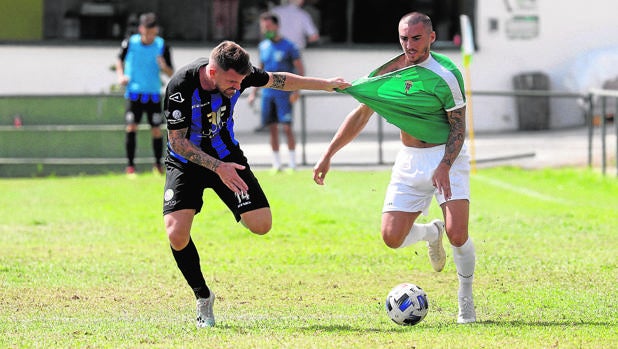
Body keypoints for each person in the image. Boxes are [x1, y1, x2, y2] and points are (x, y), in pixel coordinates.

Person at [162, 40, 349, 328]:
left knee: (262, 224)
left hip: (227, 156)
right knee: (176, 234)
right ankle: (203, 297)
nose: (237, 87)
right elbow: (178, 142)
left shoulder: (242, 74)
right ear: (212, 71)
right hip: (186, 161)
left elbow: (280, 80)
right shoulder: (181, 85)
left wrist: (325, 84)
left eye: (241, 82)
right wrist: (217, 168)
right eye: (232, 82)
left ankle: (233, 200)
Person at [312, 12, 476, 324]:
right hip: (409, 160)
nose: (409, 44)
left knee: (458, 234)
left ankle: (465, 300)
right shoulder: (388, 73)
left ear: (431, 37)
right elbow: (361, 114)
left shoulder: (447, 74)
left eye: (416, 38)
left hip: (447, 157)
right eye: (404, 38)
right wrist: (328, 154)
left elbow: (458, 127)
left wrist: (444, 165)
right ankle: (430, 233)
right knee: (391, 238)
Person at [116, 12, 174, 176]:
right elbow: (119, 59)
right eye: (147, 31)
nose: (149, 35)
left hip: (153, 94)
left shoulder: (162, 46)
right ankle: (130, 167)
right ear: (141, 29)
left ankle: (158, 166)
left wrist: (164, 67)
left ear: (156, 30)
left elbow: (171, 72)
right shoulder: (130, 43)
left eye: (153, 32)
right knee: (131, 127)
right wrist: (121, 76)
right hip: (134, 93)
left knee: (156, 130)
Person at [248, 12, 304, 172]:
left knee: (287, 127)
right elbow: (259, 71)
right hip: (268, 94)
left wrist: (296, 91)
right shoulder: (263, 46)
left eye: (268, 26)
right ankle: (276, 164)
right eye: (263, 27)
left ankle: (293, 163)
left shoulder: (290, 46)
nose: (266, 30)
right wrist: (253, 93)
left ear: (277, 26)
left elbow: (299, 69)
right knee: (272, 128)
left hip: (284, 94)